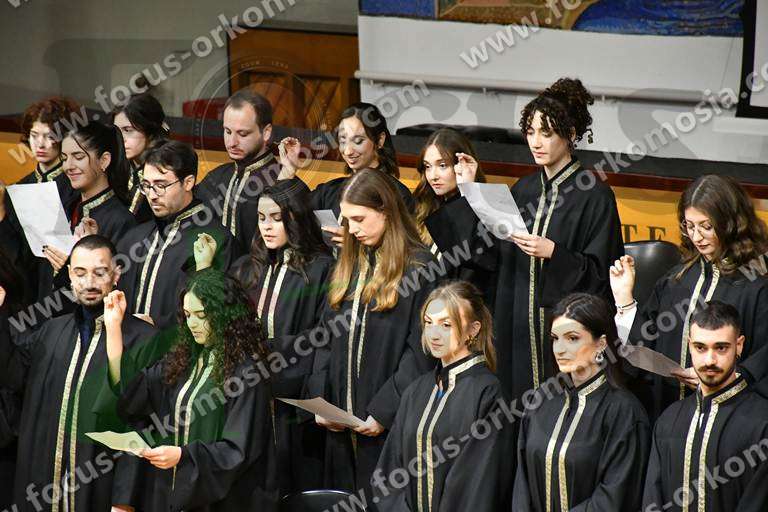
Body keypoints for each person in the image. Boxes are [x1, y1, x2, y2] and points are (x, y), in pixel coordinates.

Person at [429, 78, 624, 401]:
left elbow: (603, 276)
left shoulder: (595, 196)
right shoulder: (523, 190)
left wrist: (555, 253)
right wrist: (470, 191)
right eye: (530, 132)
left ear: (570, 134)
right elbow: (485, 255)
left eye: (546, 133)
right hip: (515, 326)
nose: (536, 142)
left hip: (560, 334)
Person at [307, 169, 437, 506]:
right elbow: (325, 337)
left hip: (388, 426)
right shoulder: (348, 263)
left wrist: (383, 411)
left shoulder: (420, 268)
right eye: (347, 219)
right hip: (339, 422)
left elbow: (421, 350)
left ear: (386, 212)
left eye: (360, 219)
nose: (351, 229)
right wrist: (320, 397)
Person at [0, 235, 156, 511]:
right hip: (43, 485)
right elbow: (12, 376)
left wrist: (124, 500)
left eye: (100, 272)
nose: (89, 282)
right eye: (81, 273)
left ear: (116, 274)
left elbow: (140, 424)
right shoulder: (51, 331)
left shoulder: (142, 339)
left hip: (100, 489)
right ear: (70, 276)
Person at [105, 270, 278, 510]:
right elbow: (132, 392)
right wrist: (114, 328)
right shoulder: (183, 361)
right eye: (187, 315)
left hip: (227, 501)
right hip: (173, 494)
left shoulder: (247, 372)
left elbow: (238, 451)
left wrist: (183, 455)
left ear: (225, 314)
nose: (192, 324)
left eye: (201, 315)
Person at [611, 174, 768, 419]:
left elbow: (762, 358)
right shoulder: (675, 280)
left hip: (731, 416)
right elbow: (641, 349)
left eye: (706, 226)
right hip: (669, 414)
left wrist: (722, 377)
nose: (696, 237)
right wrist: (625, 300)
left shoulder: (757, 284)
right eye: (690, 226)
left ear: (731, 223)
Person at [224, 178, 334, 493]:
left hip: (293, 401)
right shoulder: (246, 268)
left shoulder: (322, 269)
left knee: (290, 484)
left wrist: (266, 351)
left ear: (296, 218)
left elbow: (324, 336)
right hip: (245, 395)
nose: (267, 227)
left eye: (277, 218)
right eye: (261, 218)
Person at [374, 281, 514, 511]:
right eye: (428, 323)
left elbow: (479, 484)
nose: (433, 334)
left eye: (446, 325)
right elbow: (388, 472)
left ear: (473, 329)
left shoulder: (489, 394)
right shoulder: (416, 390)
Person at [513, 293, 650, 511]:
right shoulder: (540, 400)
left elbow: (615, 497)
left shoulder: (624, 412)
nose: (559, 349)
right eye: (555, 338)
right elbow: (522, 483)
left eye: (572, 338)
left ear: (601, 344)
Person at [642, 301, 768, 512]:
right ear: (689, 345)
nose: (710, 360)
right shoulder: (668, 420)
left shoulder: (762, 422)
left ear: (739, 345)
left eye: (721, 348)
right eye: (700, 347)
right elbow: (652, 498)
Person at [117, 140, 239, 329]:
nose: (152, 195)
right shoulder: (135, 237)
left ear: (188, 182)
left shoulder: (215, 241)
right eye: (146, 185)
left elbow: (218, 310)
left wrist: (157, 325)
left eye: (161, 185)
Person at [278, 102, 415, 246]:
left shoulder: (398, 195)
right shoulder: (330, 191)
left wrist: (356, 244)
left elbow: (402, 248)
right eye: (343, 141)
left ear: (380, 140)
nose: (348, 151)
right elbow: (289, 216)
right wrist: (288, 169)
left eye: (358, 141)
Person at [414, 127, 498, 311]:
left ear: (462, 166)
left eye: (442, 165)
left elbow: (473, 259)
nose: (433, 175)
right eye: (428, 166)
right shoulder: (421, 207)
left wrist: (468, 190)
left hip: (460, 311)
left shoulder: (484, 210)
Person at [196, 89, 281, 251]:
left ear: (266, 132)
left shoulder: (282, 181)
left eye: (242, 134)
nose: (232, 142)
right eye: (227, 131)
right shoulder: (215, 178)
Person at [111, 93, 171, 223]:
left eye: (128, 130)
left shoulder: (164, 170)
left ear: (150, 131)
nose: (120, 139)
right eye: (117, 131)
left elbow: (128, 222)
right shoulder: (120, 164)